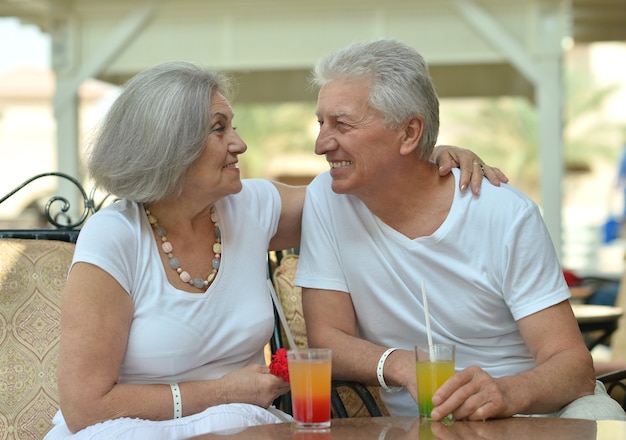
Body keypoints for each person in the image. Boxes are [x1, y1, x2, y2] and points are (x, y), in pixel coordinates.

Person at [45, 61, 501, 439]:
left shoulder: (249, 206)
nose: (239, 144)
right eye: (218, 130)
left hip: (242, 428)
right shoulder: (114, 237)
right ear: (170, 147)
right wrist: (220, 393)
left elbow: (363, 186)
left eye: (233, 127)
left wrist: (421, 156)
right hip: (133, 430)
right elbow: (87, 408)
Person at [296, 39, 626, 421]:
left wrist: (504, 393)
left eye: (342, 124)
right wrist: (402, 365)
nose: (321, 144)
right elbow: (327, 339)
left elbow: (573, 367)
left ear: (409, 134)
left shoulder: (504, 213)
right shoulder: (327, 198)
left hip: (529, 413)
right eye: (321, 123)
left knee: (605, 418)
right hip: (414, 421)